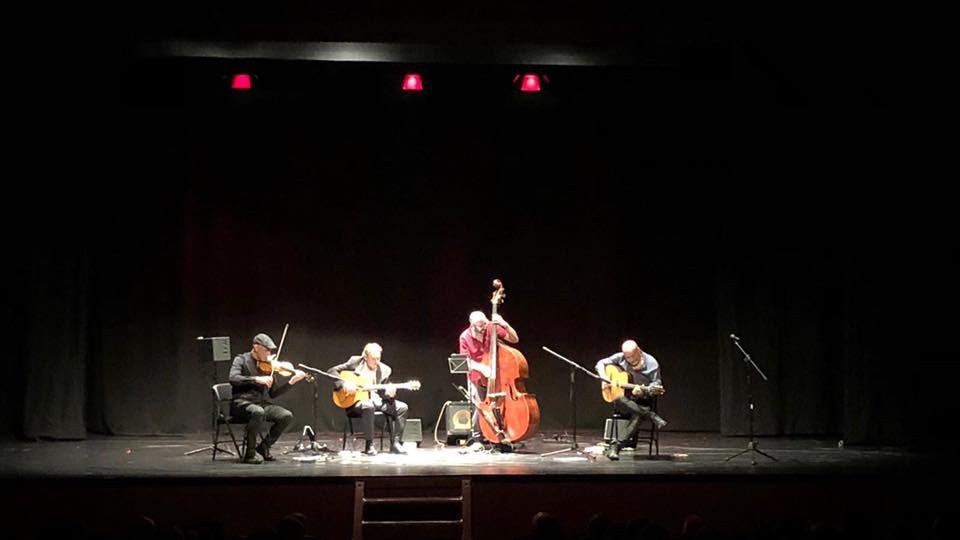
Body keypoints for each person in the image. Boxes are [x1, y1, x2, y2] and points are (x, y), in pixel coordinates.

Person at [229, 333, 306, 464]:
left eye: (270, 350)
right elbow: (233, 378)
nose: (269, 353)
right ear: (256, 347)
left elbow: (273, 394)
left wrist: (291, 382)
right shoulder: (241, 359)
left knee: (286, 416)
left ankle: (263, 447)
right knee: (258, 412)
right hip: (241, 403)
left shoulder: (268, 366)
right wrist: (256, 379)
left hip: (260, 404)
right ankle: (250, 454)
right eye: (266, 350)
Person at [329, 342, 409, 455]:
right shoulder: (355, 362)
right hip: (356, 402)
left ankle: (396, 443)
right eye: (373, 359)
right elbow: (331, 371)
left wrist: (390, 394)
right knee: (368, 405)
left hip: (376, 400)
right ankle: (369, 445)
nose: (377, 362)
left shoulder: (385, 370)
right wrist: (344, 384)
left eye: (378, 358)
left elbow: (384, 394)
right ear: (365, 357)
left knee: (402, 407)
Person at [595, 339, 667, 460]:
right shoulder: (621, 357)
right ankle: (651, 415)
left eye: (632, 357)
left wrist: (642, 391)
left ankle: (616, 447)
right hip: (625, 400)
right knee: (618, 398)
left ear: (639, 351)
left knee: (638, 415)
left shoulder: (651, 363)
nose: (629, 360)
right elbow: (600, 363)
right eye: (627, 357)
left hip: (642, 399)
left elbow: (656, 384)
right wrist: (604, 378)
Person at [458, 310, 519, 446]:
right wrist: (482, 368)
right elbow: (465, 361)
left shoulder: (491, 327)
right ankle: (477, 438)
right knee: (480, 406)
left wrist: (504, 324)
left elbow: (514, 339)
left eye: (485, 324)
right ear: (472, 325)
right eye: (480, 326)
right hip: (477, 376)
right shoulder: (465, 337)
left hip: (497, 376)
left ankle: (504, 433)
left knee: (501, 404)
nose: (484, 328)